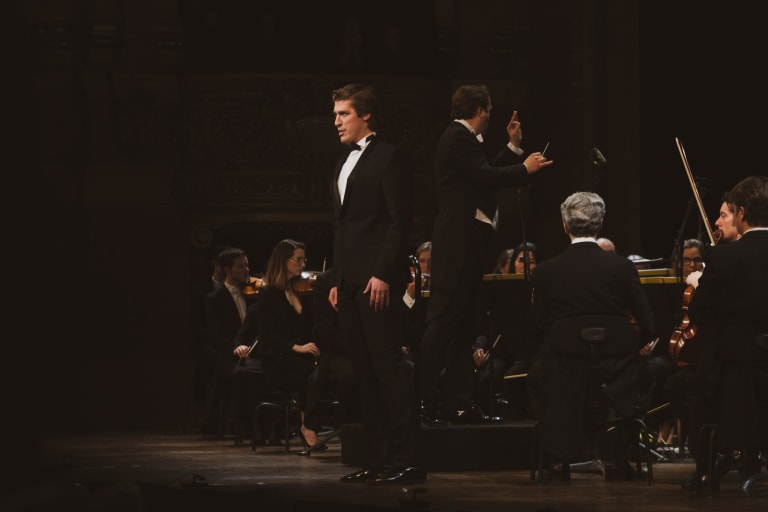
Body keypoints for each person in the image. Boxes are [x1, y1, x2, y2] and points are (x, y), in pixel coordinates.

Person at [419, 84, 553, 426]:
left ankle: (459, 403)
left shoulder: (465, 140)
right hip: (458, 240)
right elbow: (486, 175)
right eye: (489, 111)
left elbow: (483, 174)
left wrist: (512, 147)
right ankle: (420, 399)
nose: (491, 117)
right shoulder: (457, 137)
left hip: (470, 239)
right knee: (446, 320)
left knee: (462, 325)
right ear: (481, 110)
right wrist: (525, 168)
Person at [328, 83, 421, 485]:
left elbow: (399, 221)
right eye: (335, 115)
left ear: (366, 115)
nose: (336, 122)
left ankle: (407, 459)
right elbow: (344, 226)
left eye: (343, 114)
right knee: (364, 373)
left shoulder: (390, 155)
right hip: (348, 282)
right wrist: (336, 278)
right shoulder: (343, 161)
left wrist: (383, 272)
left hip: (376, 280)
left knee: (389, 369)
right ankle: (380, 458)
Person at [527, 191, 656, 480]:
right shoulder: (622, 267)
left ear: (564, 226)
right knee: (647, 376)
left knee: (535, 380)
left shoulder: (546, 271)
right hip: (617, 370)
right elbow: (648, 322)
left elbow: (538, 325)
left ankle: (556, 458)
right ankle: (620, 455)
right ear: (601, 224)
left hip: (564, 369)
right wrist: (631, 347)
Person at [681, 176, 768, 489]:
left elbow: (700, 312)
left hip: (734, 369)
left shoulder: (723, 257)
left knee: (691, 387)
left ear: (741, 213)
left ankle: (705, 472)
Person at [233, 239, 321, 448]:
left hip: (301, 355)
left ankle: (307, 421)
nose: (302, 264)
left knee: (322, 371)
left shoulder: (301, 291)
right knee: (309, 374)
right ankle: (306, 425)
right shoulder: (268, 293)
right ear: (283, 261)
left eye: (304, 259)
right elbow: (266, 334)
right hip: (276, 358)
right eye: (297, 259)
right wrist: (296, 347)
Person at [473, 242, 541, 418]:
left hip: (527, 351)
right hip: (502, 349)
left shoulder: (541, 288)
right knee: (487, 378)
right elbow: (487, 324)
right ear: (513, 263)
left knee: (513, 377)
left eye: (531, 261)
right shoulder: (501, 289)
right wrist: (479, 347)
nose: (526, 265)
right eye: (521, 260)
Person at [202, 247, 254, 437]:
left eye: (247, 266)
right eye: (240, 267)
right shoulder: (213, 299)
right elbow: (214, 335)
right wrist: (235, 348)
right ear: (227, 269)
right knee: (236, 375)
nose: (246, 270)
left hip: (251, 350)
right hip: (227, 353)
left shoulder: (253, 295)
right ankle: (239, 426)